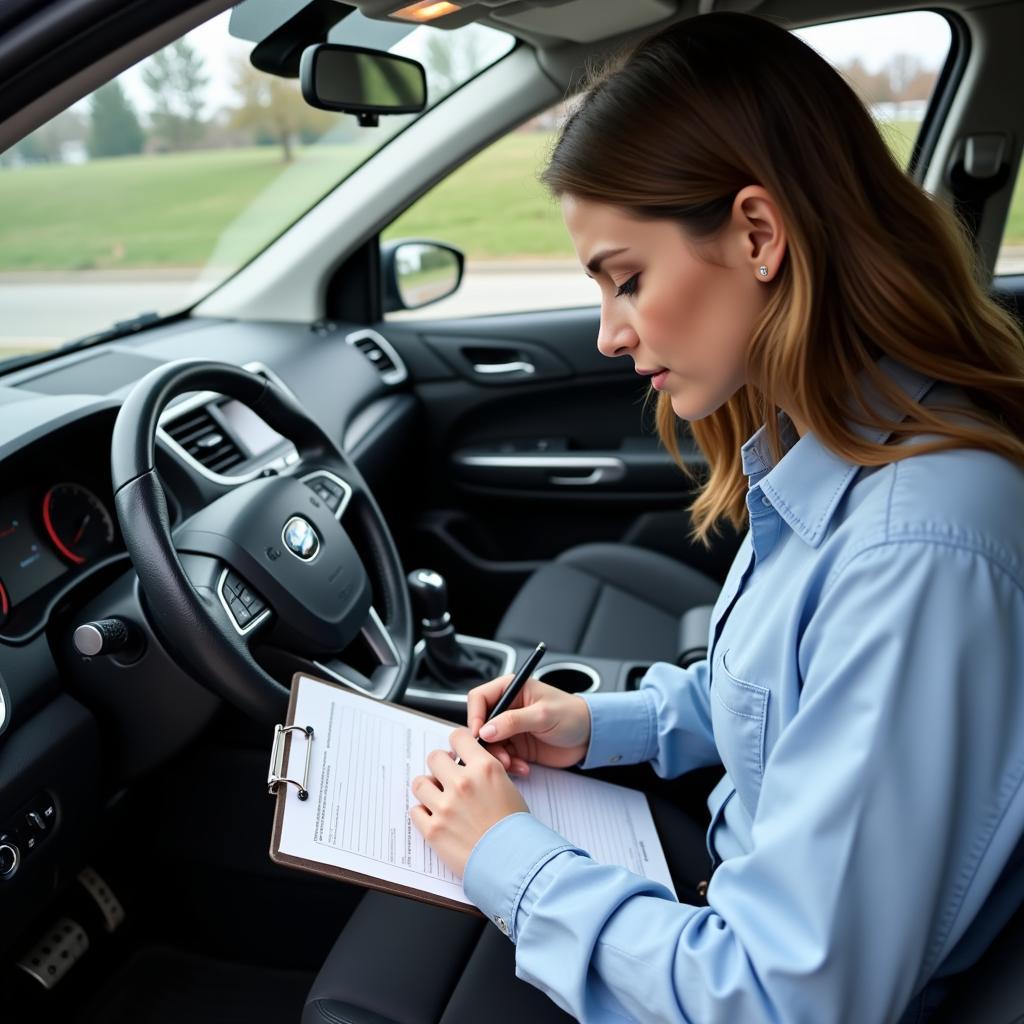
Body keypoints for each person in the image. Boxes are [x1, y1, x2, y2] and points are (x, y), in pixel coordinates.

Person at [407, 12, 1024, 1023]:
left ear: (755, 233)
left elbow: (784, 998)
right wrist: (609, 724)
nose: (610, 333)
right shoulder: (836, 443)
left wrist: (506, 859)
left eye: (627, 279)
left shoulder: (915, 551)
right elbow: (794, 702)